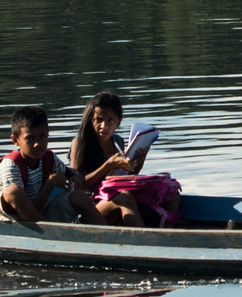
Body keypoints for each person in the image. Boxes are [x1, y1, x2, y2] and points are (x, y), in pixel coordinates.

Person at [70, 91, 182, 227]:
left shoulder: (118, 142)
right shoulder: (80, 143)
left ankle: (167, 234)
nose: (104, 126)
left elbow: (123, 179)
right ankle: (144, 238)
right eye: (98, 120)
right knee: (125, 196)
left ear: (119, 121)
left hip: (114, 199)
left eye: (110, 120)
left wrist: (137, 166)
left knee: (171, 191)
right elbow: (75, 188)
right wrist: (107, 166)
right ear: (90, 120)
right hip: (89, 208)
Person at [0, 105, 87, 224]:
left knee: (79, 196)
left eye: (42, 136)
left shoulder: (48, 158)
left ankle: (102, 232)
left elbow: (67, 172)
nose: (37, 144)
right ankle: (49, 232)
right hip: (11, 219)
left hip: (38, 212)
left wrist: (76, 175)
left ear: (48, 134)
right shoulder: (11, 166)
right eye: (30, 139)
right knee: (13, 192)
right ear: (15, 140)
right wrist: (50, 183)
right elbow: (25, 210)